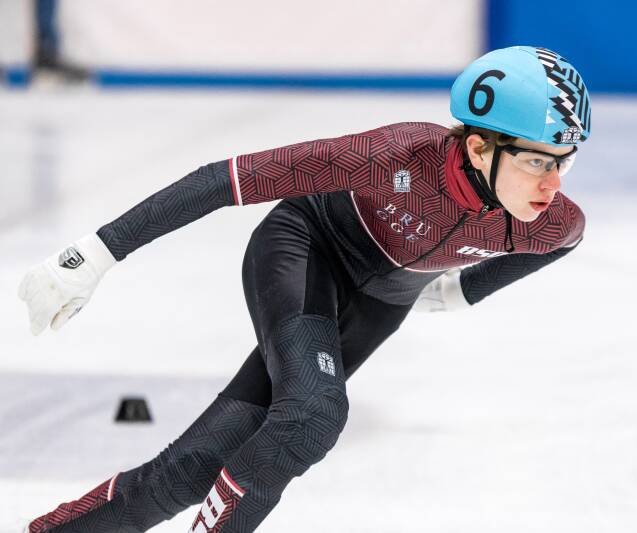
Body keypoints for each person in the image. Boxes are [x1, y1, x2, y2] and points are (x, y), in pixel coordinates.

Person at [18, 45, 591, 533]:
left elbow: (566, 238)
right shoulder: (394, 155)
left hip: (379, 304)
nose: (553, 182)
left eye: (564, 162)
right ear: (477, 149)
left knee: (193, 469)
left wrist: (463, 292)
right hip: (306, 249)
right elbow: (225, 180)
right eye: (538, 160)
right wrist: (93, 254)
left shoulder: (549, 221)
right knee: (314, 415)